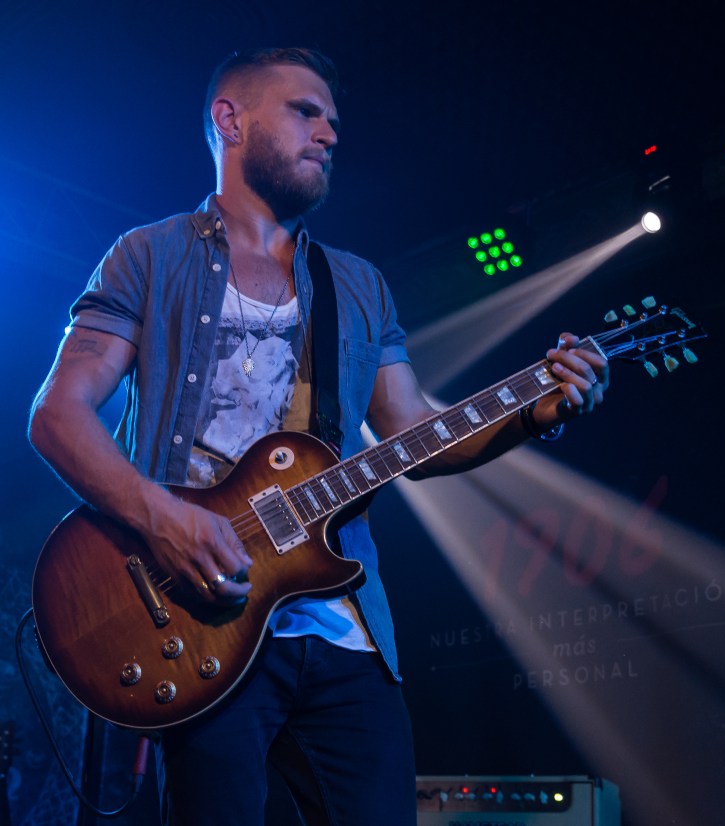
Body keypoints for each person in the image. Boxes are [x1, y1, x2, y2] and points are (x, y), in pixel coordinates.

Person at [27, 47, 609, 825]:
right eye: (305, 112)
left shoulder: (358, 284)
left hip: (344, 632)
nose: (329, 134)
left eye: (333, 121)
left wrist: (533, 412)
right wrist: (163, 520)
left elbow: (413, 435)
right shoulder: (149, 256)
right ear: (230, 120)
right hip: (201, 619)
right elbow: (57, 416)